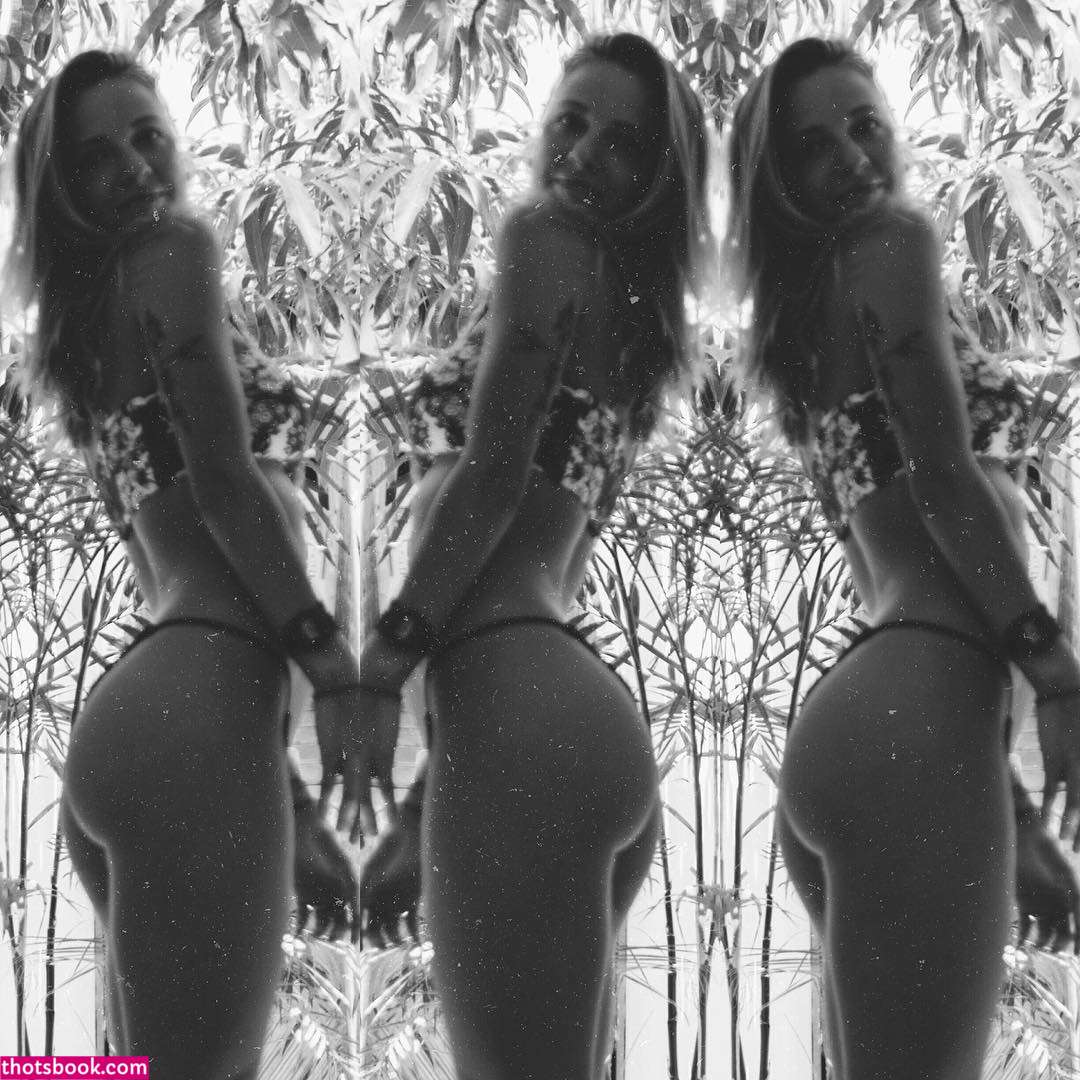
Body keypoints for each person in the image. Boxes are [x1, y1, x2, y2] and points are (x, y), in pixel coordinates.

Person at [345, 32, 716, 1079]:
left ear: (661, 180)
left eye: (624, 144)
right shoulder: (631, 311)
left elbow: (495, 473)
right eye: (573, 123)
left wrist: (386, 659)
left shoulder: (545, 237)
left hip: (518, 718)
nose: (584, 155)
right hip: (561, 716)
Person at [5, 51, 372, 1076]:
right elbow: (222, 480)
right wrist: (327, 665)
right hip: (199, 712)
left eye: (145, 137)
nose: (132, 167)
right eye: (96, 157)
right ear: (60, 190)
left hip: (154, 713)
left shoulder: (88, 320)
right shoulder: (173, 251)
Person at [725, 37, 1080, 1079]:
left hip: (884, 723)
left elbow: (898, 562)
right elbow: (942, 477)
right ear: (776, 182)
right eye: (811, 146)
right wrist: (1055, 674)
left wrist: (1010, 809)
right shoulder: (893, 242)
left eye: (864, 126)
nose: (851, 157)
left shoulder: (809, 316)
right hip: (918, 725)